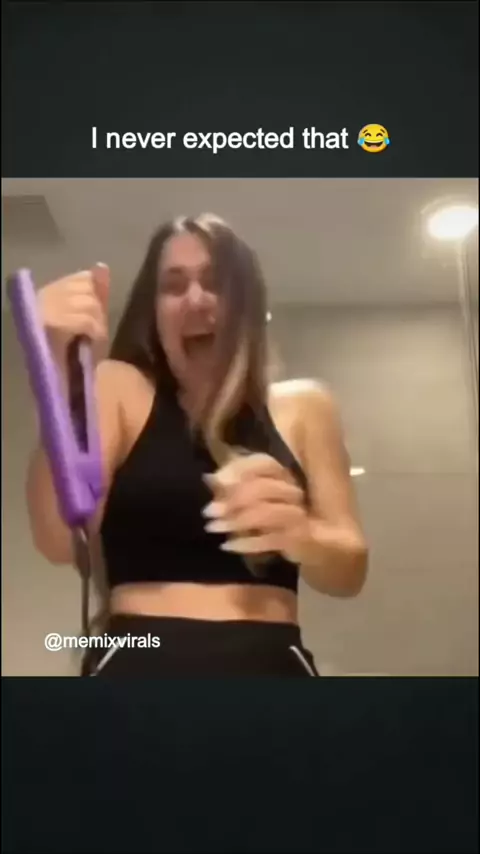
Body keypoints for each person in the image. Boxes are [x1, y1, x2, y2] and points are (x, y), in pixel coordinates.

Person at [26, 213, 369, 677]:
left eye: (215, 282)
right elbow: (61, 541)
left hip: (271, 665)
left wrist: (300, 533)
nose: (195, 299)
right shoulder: (120, 389)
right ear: (154, 311)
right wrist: (54, 375)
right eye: (173, 285)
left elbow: (349, 570)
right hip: (138, 662)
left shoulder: (305, 406)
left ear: (246, 303)